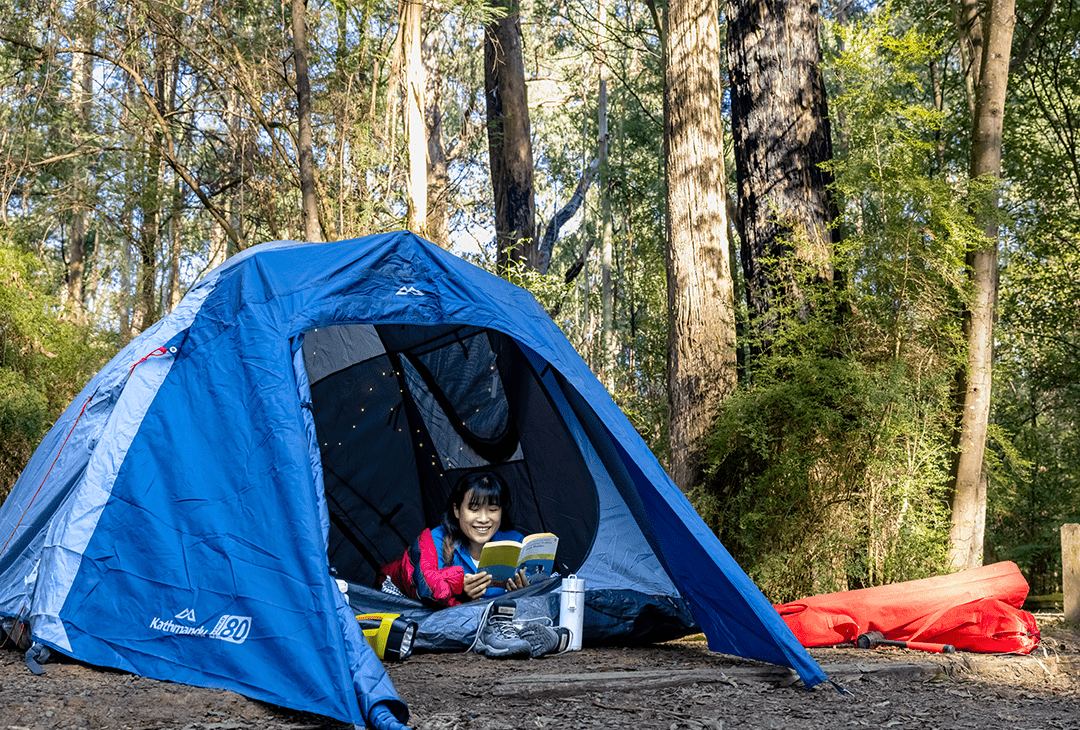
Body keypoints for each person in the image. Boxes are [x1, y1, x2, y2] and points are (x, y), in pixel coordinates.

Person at [380, 472, 570, 658]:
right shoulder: (435, 539)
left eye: (493, 510)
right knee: (433, 620)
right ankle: (510, 634)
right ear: (456, 510)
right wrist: (460, 591)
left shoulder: (515, 542)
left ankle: (524, 635)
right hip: (416, 603)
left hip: (490, 617)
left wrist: (523, 592)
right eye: (474, 509)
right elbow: (427, 587)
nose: (484, 519)